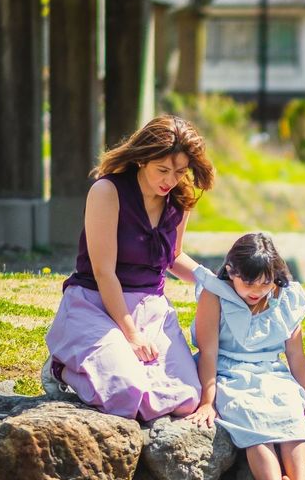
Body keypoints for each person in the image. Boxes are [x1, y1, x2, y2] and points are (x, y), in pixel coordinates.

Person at [44, 115, 215, 421]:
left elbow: (173, 255)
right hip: (96, 304)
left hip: (152, 310)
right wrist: (132, 336)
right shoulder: (107, 191)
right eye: (162, 170)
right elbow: (103, 272)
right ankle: (63, 366)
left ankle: (106, 365)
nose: (170, 180)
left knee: (188, 398)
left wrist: (212, 281)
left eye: (179, 171)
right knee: (126, 394)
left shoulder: (180, 199)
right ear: (141, 159)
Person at [186, 233, 305, 480]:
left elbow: (296, 355)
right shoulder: (214, 296)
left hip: (272, 371)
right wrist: (207, 402)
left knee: (291, 411)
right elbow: (208, 352)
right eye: (249, 283)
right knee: (249, 415)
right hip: (228, 371)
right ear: (231, 271)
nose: (257, 291)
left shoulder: (285, 298)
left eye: (265, 283)